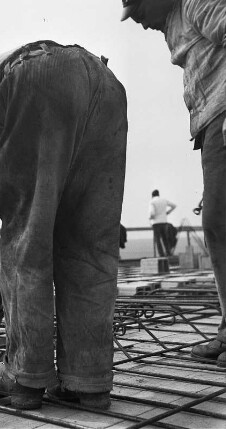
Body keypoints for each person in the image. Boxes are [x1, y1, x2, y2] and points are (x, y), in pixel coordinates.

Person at [0, 40, 128, 408]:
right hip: (105, 85)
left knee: (23, 243)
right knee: (90, 248)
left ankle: (24, 376)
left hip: (38, 75)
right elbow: (52, 213)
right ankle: (89, 381)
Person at [120, 0, 226, 367]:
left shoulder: (196, 2)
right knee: (216, 223)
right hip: (212, 125)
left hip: (223, 116)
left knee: (219, 225)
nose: (140, 23)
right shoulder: (173, 22)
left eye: (139, 12)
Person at [149, 189, 176, 257]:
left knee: (158, 239)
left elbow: (152, 213)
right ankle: (168, 252)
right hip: (164, 221)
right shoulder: (164, 200)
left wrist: (150, 218)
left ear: (152, 195)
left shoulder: (152, 202)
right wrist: (168, 212)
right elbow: (174, 206)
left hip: (156, 222)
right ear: (158, 194)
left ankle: (161, 254)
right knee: (164, 238)